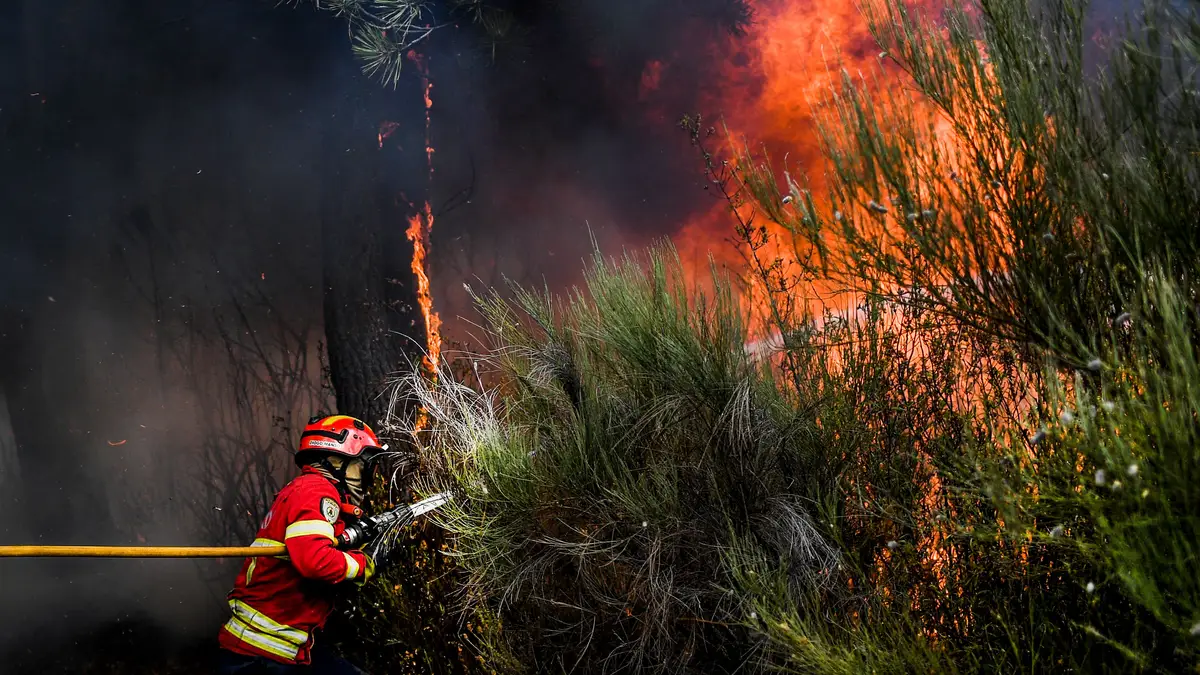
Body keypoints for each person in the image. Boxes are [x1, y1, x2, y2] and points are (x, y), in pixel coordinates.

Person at [215, 414, 385, 674]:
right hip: (262, 655)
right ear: (337, 460)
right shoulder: (315, 491)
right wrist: (365, 565)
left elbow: (315, 548)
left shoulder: (302, 490)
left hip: (278, 647)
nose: (368, 475)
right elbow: (315, 560)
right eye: (363, 464)